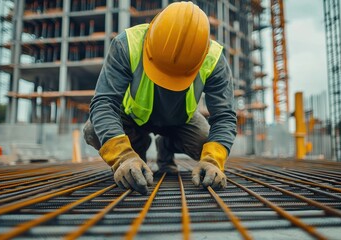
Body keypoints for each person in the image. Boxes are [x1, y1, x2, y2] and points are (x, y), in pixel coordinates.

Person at [83, 1, 237, 195]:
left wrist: (212, 160)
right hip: (133, 118)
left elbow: (224, 117)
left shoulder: (214, 60)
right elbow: (104, 103)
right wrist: (123, 156)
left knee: (207, 145)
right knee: (93, 130)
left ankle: (166, 145)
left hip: (181, 121)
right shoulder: (127, 44)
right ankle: (137, 148)